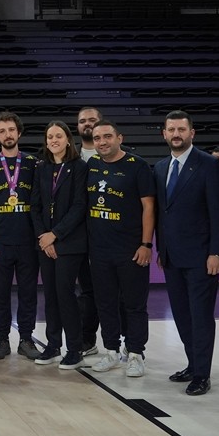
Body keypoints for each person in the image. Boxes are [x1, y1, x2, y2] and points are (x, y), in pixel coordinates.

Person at [155, 111, 219, 396]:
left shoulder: (210, 165)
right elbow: (164, 215)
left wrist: (217, 252)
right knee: (182, 316)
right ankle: (192, 363)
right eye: (171, 129)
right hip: (172, 257)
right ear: (164, 134)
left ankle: (202, 374)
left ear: (192, 133)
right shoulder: (161, 167)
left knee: (200, 316)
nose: (176, 134)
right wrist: (162, 249)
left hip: (201, 257)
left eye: (182, 129)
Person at [85, 120, 156, 377]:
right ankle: (111, 351)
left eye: (107, 137)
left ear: (119, 138)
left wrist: (146, 244)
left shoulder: (137, 166)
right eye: (97, 138)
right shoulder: (91, 165)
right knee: (105, 303)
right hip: (99, 250)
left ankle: (136, 353)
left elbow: (149, 207)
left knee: (135, 305)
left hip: (130, 248)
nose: (102, 142)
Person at [0, 111, 40, 361]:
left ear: (19, 132)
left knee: (28, 293)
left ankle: (26, 339)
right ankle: (2, 338)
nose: (7, 134)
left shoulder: (33, 163)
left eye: (11, 130)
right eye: (2, 131)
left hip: (28, 242)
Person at [29, 120, 89, 370]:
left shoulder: (79, 167)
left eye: (58, 136)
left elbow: (79, 206)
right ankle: (53, 345)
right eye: (49, 137)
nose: (53, 140)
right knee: (51, 295)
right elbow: (35, 206)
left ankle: (75, 348)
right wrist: (44, 236)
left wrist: (56, 235)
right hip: (45, 242)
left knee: (65, 293)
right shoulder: (41, 168)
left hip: (70, 243)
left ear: (67, 139)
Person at [74, 106, 104, 357]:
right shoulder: (71, 156)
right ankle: (87, 339)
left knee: (115, 291)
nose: (87, 124)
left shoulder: (113, 155)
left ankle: (124, 343)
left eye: (92, 120)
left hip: (107, 233)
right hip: (77, 236)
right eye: (83, 121)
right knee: (87, 291)